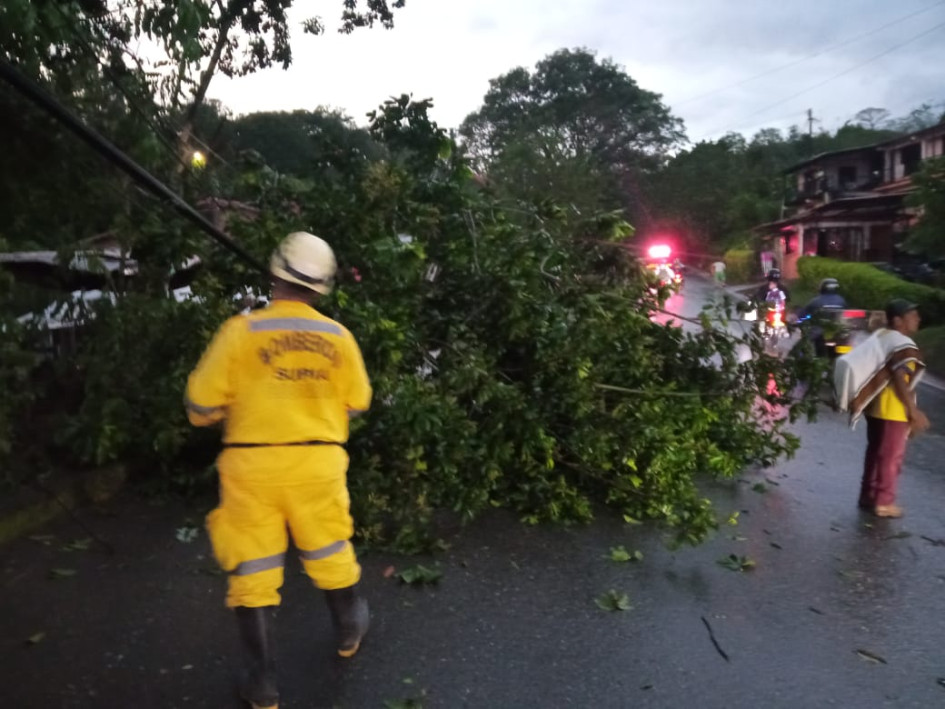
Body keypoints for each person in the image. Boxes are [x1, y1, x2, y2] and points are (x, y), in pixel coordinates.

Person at [185, 232, 372, 709]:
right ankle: (349, 628)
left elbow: (199, 405)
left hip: (252, 466)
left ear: (274, 275)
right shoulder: (338, 337)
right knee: (330, 548)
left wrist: (235, 409)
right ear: (323, 286)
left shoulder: (239, 332)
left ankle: (261, 683)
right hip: (318, 464)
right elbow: (357, 403)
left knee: (254, 569)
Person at [856, 299, 930, 518]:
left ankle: (868, 495)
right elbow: (900, 377)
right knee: (891, 456)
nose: (918, 319)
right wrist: (913, 411)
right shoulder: (902, 343)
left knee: (875, 452)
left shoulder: (881, 337)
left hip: (875, 405)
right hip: (893, 408)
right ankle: (884, 501)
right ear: (898, 320)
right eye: (912, 315)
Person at [798, 278, 847, 356]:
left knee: (801, 347)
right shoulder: (842, 301)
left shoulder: (816, 301)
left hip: (818, 335)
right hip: (838, 334)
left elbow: (801, 316)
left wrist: (799, 321)